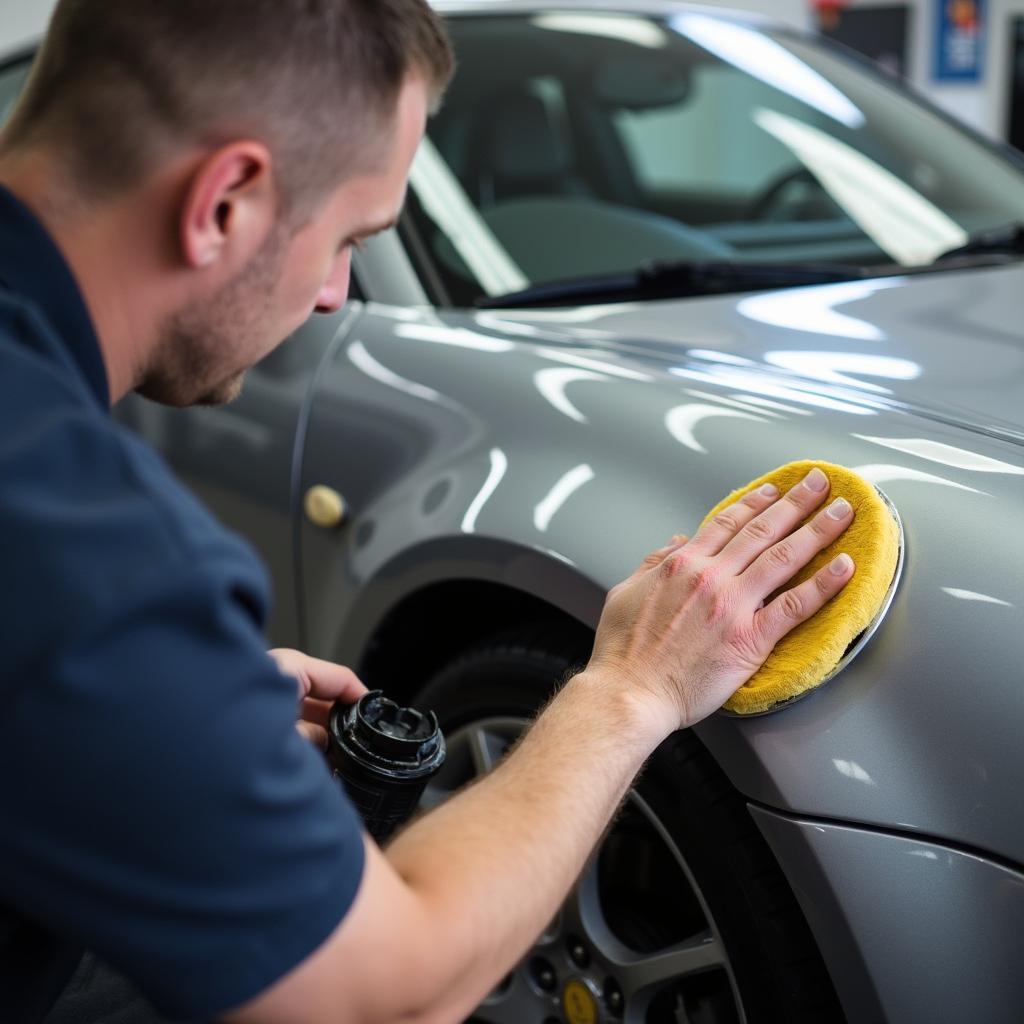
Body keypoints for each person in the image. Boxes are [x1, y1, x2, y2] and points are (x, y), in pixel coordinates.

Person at [0, 2, 857, 1022]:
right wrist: (631, 687)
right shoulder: (75, 529)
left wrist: (152, 706)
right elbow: (379, 994)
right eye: (347, 238)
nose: (331, 293)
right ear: (224, 200)